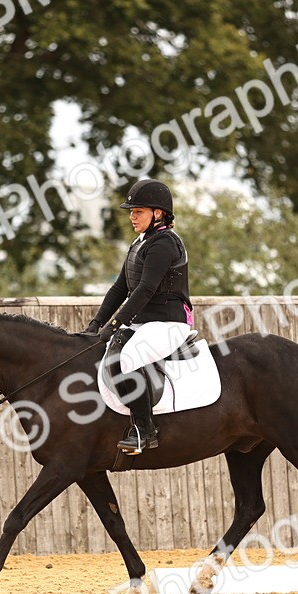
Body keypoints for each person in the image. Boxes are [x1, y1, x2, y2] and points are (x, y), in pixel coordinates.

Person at [81, 178, 193, 455]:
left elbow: (145, 290)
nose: (132, 217)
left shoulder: (164, 243)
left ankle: (145, 431)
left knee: (126, 359)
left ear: (158, 213)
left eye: (138, 211)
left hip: (169, 323)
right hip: (145, 322)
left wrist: (116, 323)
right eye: (131, 211)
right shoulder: (141, 242)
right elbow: (121, 287)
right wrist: (96, 325)